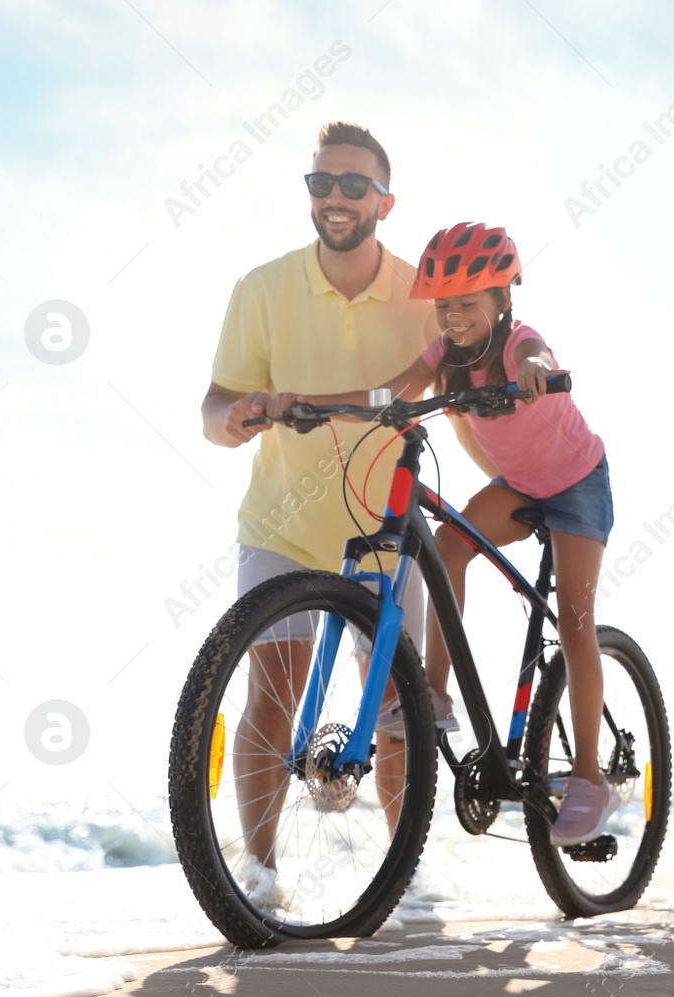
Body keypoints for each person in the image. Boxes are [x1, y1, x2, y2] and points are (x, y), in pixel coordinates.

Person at [199, 121, 439, 879]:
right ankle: (260, 879)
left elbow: (458, 375)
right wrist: (232, 418)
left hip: (387, 525)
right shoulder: (262, 287)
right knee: (269, 701)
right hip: (284, 524)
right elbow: (215, 406)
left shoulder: (419, 292)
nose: (335, 198)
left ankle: (404, 884)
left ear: (384, 201)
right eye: (321, 183)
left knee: (398, 717)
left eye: (353, 185)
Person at [378, 221, 618, 846]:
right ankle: (433, 695)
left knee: (573, 623)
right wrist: (352, 405)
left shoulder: (519, 343)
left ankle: (591, 780)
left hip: (578, 485)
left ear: (502, 301)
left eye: (468, 303)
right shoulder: (445, 353)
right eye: (444, 305)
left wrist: (539, 371)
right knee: (447, 544)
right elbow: (401, 384)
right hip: (520, 487)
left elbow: (536, 357)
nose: (453, 316)